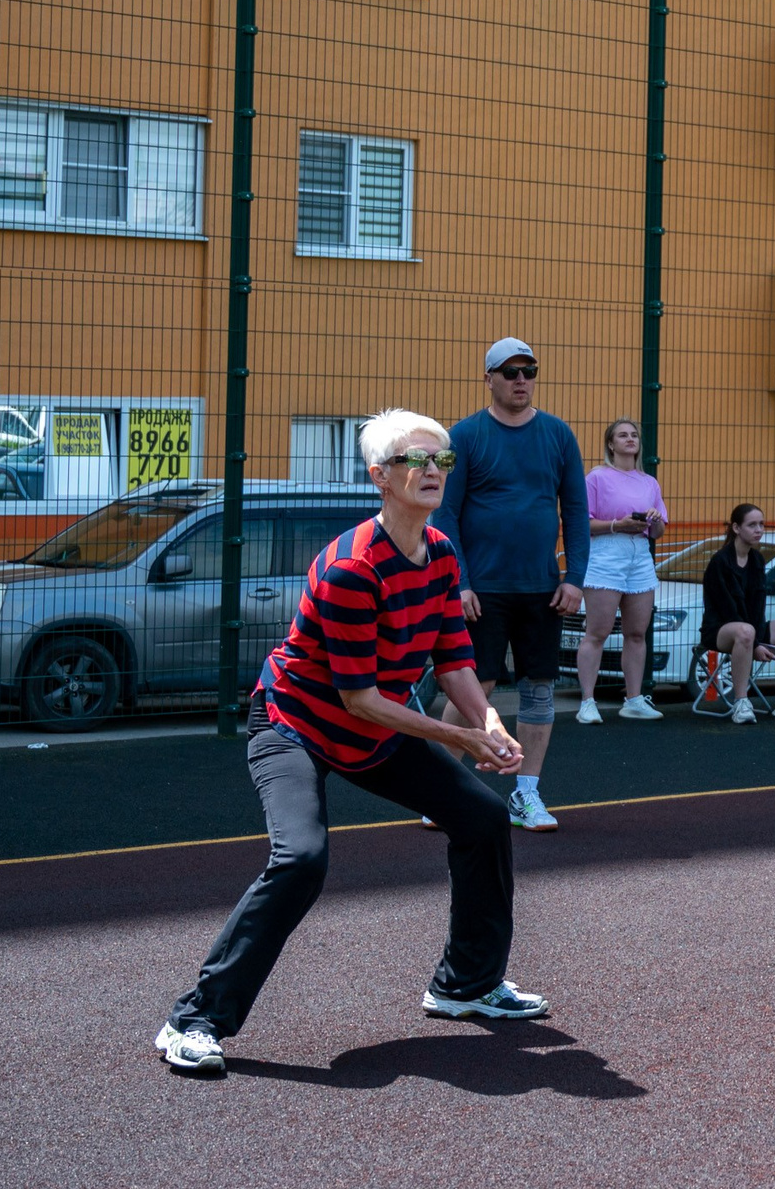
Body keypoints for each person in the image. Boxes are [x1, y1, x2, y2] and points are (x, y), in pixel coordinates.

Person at [154, 411, 546, 1076]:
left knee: (481, 819)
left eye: (441, 461)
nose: (431, 471)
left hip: (375, 731)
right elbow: (359, 697)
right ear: (379, 477)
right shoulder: (352, 567)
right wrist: (459, 735)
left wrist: (491, 723)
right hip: (294, 725)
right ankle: (194, 1018)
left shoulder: (443, 555)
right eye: (413, 460)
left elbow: (453, 659)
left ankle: (465, 984)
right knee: (302, 857)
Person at [435, 337, 589, 832]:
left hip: (543, 589)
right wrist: (459, 582)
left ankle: (527, 795)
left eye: (529, 371)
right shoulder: (465, 436)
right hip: (481, 592)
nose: (521, 380)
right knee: (472, 688)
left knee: (539, 690)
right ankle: (436, 789)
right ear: (489, 379)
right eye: (510, 372)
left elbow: (577, 513)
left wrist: (575, 579)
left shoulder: (559, 435)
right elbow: (446, 513)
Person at [574, 419, 667, 724]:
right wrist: (618, 524)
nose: (630, 439)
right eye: (622, 435)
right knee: (597, 632)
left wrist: (653, 521)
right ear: (611, 445)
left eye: (634, 435)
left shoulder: (649, 482)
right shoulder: (596, 477)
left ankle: (634, 699)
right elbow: (581, 524)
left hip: (639, 555)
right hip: (606, 553)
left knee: (637, 633)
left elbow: (658, 532)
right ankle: (587, 701)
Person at [696, 504, 775, 721]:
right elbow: (729, 611)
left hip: (751, 630)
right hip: (720, 630)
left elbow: (758, 607)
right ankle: (741, 702)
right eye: (752, 525)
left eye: (761, 524)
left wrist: (759, 640)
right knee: (745, 631)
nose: (759, 529)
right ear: (736, 528)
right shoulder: (720, 562)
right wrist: (755, 645)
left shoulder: (757, 560)